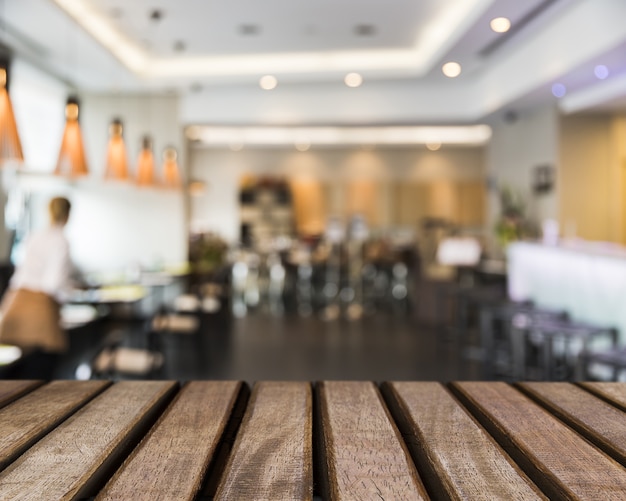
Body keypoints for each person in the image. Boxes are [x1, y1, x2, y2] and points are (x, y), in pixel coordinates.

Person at [0, 196, 74, 379]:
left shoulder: (34, 236)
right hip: (39, 312)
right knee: (40, 375)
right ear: (68, 215)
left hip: (14, 304)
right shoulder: (60, 240)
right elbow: (53, 284)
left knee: (13, 375)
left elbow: (21, 273)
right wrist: (69, 292)